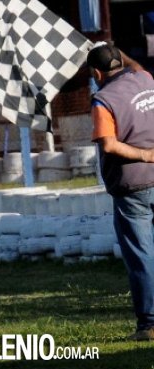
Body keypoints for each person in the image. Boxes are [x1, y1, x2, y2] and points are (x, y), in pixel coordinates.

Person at [88, 42, 154, 340]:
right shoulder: (145, 80)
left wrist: (145, 155)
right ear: (122, 64)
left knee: (141, 255)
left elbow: (109, 145)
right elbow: (136, 66)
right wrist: (115, 49)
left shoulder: (103, 99)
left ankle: (149, 325)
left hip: (132, 186)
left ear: (96, 73)